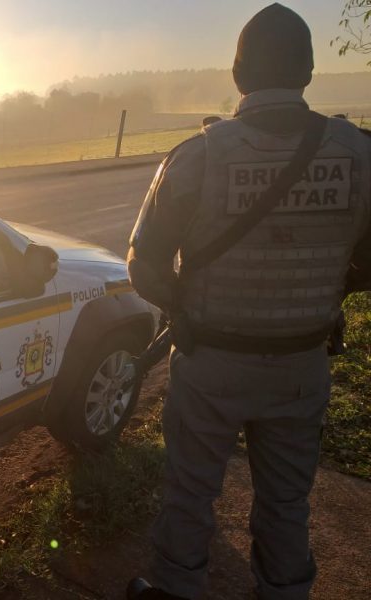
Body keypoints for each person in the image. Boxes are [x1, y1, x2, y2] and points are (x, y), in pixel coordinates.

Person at [124, 4, 371, 600]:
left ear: (238, 75)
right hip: (302, 365)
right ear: (308, 72)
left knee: (189, 494)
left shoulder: (197, 156)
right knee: (287, 502)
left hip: (209, 363)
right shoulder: (360, 153)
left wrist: (183, 306)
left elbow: (142, 264)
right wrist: (328, 285)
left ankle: (176, 589)